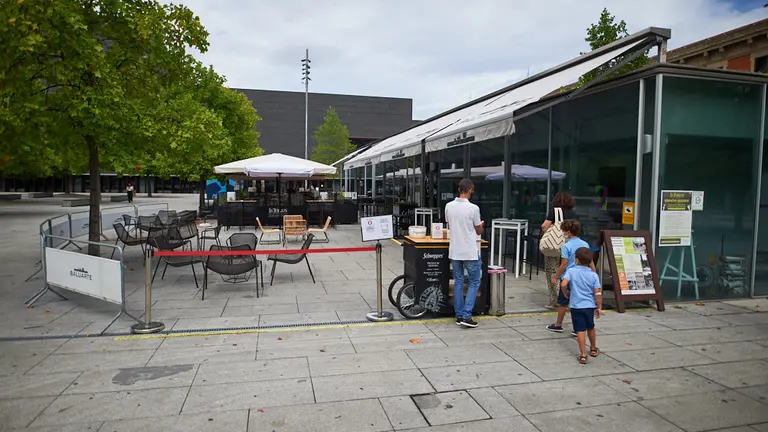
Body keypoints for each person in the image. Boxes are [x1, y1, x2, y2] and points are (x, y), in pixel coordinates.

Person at [445, 178, 484, 328]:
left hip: (455, 250)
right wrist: (481, 224)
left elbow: (449, 224)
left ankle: (459, 314)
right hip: (469, 251)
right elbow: (478, 230)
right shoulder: (473, 208)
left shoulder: (448, 206)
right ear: (470, 190)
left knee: (458, 282)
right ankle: (467, 316)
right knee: (474, 282)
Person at [546, 219, 594, 334]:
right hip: (582, 276)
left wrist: (555, 277)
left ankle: (558, 324)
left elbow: (564, 264)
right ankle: (576, 327)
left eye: (563, 231)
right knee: (577, 301)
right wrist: (593, 273)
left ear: (568, 232)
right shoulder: (585, 244)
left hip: (569, 276)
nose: (563, 234)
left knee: (563, 302)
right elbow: (590, 261)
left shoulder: (566, 246)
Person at [560, 247, 602, 364]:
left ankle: (583, 354)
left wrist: (565, 293)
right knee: (591, 327)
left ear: (576, 259)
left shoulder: (571, 271)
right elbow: (597, 292)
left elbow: (563, 284)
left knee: (580, 330)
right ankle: (593, 348)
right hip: (589, 306)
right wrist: (599, 306)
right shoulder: (593, 275)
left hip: (576, 306)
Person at [541, 191, 576, 309]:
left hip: (555, 246)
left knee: (552, 271)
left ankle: (555, 300)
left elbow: (544, 226)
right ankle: (568, 298)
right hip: (570, 245)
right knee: (568, 271)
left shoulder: (555, 212)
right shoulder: (574, 213)